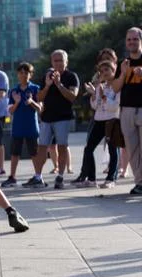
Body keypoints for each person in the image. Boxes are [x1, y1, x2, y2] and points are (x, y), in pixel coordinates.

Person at [24, 49, 80, 189]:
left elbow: (72, 96)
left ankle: (60, 176)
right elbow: (40, 97)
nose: (58, 63)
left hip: (63, 117)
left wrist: (59, 84)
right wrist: (49, 85)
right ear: (51, 62)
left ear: (66, 62)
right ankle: (38, 176)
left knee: (62, 146)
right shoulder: (46, 76)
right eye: (55, 60)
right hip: (46, 118)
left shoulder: (71, 76)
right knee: (42, 147)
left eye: (60, 60)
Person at [72, 60, 120, 189]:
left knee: (112, 150)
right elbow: (95, 106)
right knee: (89, 148)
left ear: (113, 70)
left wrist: (104, 96)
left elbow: (115, 106)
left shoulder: (117, 86)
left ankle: (111, 178)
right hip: (99, 120)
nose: (104, 73)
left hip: (112, 120)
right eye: (102, 71)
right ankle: (91, 179)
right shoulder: (100, 86)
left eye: (107, 70)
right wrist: (94, 94)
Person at [1, 62, 42, 188]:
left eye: (26, 73)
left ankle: (38, 176)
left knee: (34, 152)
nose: (23, 75)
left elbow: (40, 108)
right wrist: (17, 102)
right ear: (17, 74)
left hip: (31, 126)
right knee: (15, 152)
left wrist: (31, 102)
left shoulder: (35, 89)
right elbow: (10, 110)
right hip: (18, 126)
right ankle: (12, 177)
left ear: (31, 74)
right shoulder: (14, 91)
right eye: (21, 73)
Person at [113, 27, 142, 195]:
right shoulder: (123, 63)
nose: (131, 42)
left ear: (140, 40)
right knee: (132, 149)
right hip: (127, 111)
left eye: (135, 39)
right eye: (129, 39)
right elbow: (115, 88)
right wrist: (123, 74)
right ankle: (139, 182)